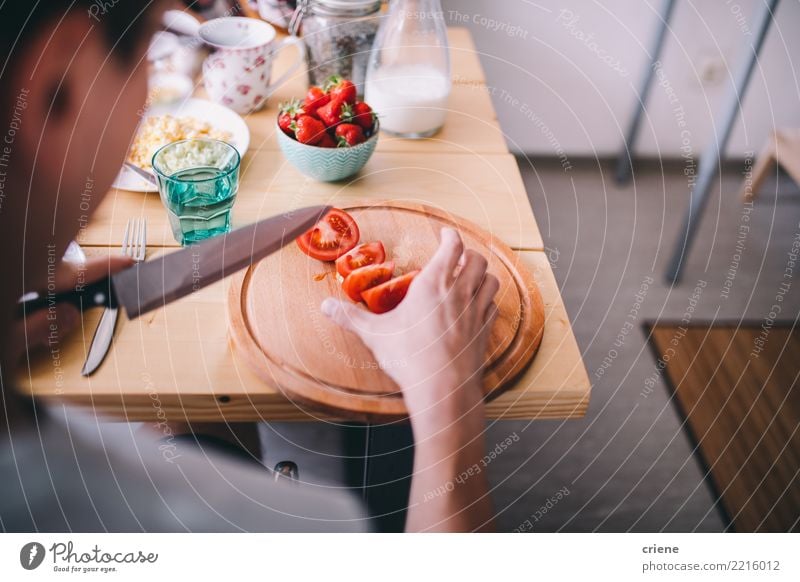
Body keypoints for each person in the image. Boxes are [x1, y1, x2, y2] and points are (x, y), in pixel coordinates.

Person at [0, 1, 498, 532]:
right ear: (55, 89)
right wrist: (448, 394)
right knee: (386, 443)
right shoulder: (296, 530)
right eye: (152, 56)